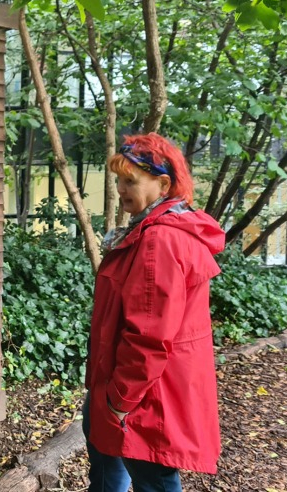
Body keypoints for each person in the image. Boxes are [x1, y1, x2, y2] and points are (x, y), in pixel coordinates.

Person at [83, 132, 225, 492]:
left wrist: (119, 402)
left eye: (130, 181)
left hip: (144, 395)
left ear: (163, 184)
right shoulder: (153, 229)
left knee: (153, 481)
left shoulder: (159, 241)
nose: (120, 189)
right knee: (105, 463)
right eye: (118, 180)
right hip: (127, 384)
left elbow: (148, 336)